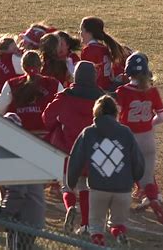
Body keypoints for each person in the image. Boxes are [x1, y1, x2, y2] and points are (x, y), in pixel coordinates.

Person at [67, 95, 145, 247]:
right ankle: (119, 233)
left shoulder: (88, 133)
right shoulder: (126, 132)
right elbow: (137, 160)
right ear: (116, 112)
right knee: (117, 222)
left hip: (98, 188)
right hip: (123, 189)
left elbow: (75, 160)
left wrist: (71, 182)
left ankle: (98, 242)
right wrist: (136, 178)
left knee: (96, 224)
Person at [42, 61, 104, 235]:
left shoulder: (66, 96)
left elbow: (47, 118)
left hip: (68, 149)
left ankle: (70, 206)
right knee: (85, 186)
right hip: (93, 151)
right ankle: (85, 225)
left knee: (67, 186)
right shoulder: (101, 98)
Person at [115, 52, 163, 225]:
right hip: (147, 138)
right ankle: (154, 199)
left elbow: (114, 114)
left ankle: (118, 207)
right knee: (147, 177)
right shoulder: (152, 91)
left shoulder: (122, 91)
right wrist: (149, 124)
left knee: (122, 173)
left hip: (128, 138)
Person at [0, 112, 46, 250]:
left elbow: (17, 191)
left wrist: (3, 215)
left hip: (23, 219)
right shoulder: (23, 151)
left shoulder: (16, 155)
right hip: (28, 217)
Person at [0, 50, 63, 137]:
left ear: (22, 66)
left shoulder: (12, 84)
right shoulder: (54, 84)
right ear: (41, 65)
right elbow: (64, 110)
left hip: (20, 136)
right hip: (47, 139)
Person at [79, 16, 126, 91]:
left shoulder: (89, 50)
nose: (80, 33)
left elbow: (84, 75)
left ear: (89, 33)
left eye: (82, 30)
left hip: (97, 91)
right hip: (108, 87)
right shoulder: (104, 48)